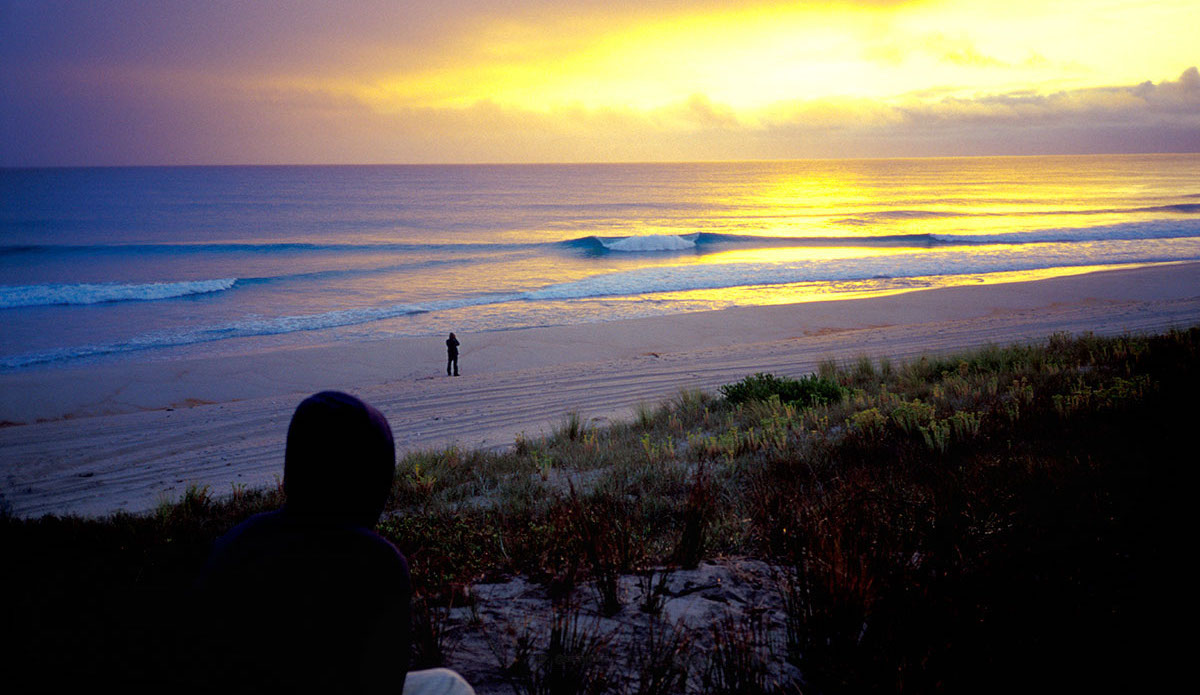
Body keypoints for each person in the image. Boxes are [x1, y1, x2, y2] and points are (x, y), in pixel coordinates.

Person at [195, 391, 474, 695]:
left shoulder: (234, 543)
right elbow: (384, 682)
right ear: (373, 479)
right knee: (450, 687)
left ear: (293, 468)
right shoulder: (376, 562)